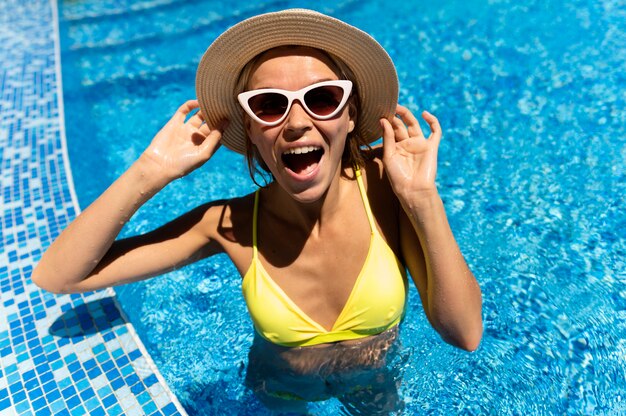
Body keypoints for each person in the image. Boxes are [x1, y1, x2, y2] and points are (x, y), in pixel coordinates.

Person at [33, 9, 482, 414]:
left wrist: (424, 201)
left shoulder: (389, 191)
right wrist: (150, 172)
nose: (298, 122)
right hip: (281, 392)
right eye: (269, 105)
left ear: (350, 115)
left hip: (373, 381)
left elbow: (464, 334)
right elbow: (61, 276)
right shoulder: (228, 227)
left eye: (322, 98)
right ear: (249, 127)